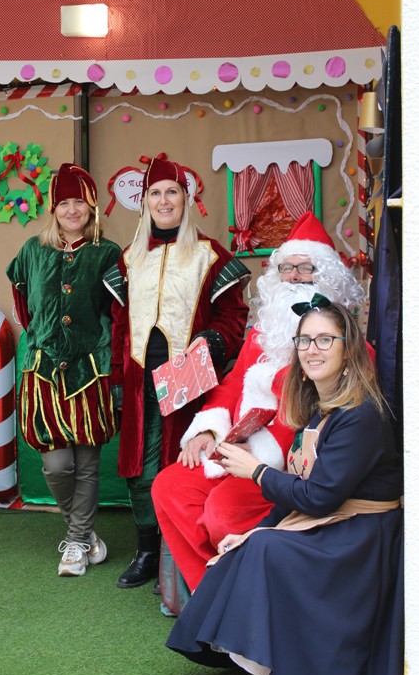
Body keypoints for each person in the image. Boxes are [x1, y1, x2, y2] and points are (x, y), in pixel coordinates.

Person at [166, 297, 403, 675]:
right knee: (248, 543)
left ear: (348, 351)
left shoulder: (361, 414)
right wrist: (254, 530)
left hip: (362, 538)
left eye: (325, 340)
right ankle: (250, 659)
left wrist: (256, 472)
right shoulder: (319, 408)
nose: (312, 349)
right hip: (334, 523)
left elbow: (319, 497)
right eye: (304, 340)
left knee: (267, 550)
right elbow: (302, 493)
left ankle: (277, 664)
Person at [152, 212, 367, 595]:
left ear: (328, 275)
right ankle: (214, 591)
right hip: (235, 446)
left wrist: (261, 450)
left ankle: (243, 592)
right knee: (170, 485)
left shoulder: (342, 341)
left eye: (306, 267)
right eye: (287, 267)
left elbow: (327, 409)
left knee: (222, 515)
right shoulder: (262, 332)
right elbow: (233, 383)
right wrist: (207, 430)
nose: (295, 276)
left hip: (287, 466)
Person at [104, 153, 250, 589]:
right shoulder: (129, 259)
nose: (164, 200)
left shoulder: (210, 255)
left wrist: (211, 343)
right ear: (145, 201)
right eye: (155, 193)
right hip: (138, 379)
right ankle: (147, 552)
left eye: (172, 192)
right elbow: (118, 324)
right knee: (138, 468)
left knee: (182, 463)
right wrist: (117, 379)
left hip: (189, 377)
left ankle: (177, 557)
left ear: (186, 199)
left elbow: (234, 318)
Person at [6, 163, 121, 577]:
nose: (72, 210)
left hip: (90, 370)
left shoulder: (109, 254)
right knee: (57, 466)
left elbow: (117, 315)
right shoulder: (31, 251)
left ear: (92, 207)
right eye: (64, 202)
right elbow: (24, 305)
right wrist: (44, 336)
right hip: (43, 370)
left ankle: (75, 543)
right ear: (53, 208)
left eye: (80, 202)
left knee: (87, 465)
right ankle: (85, 535)